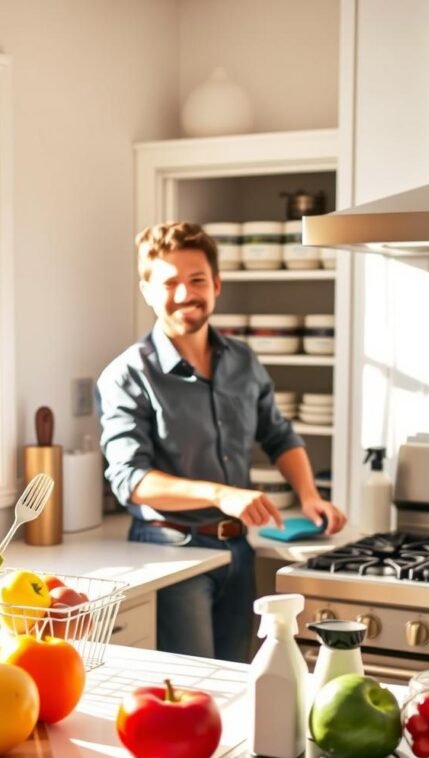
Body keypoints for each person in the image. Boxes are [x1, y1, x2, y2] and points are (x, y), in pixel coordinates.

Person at [96, 221, 346, 662]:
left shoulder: (242, 361)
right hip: (171, 553)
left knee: (237, 685)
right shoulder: (127, 374)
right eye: (169, 282)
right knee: (200, 691)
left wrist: (310, 497)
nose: (183, 294)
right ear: (147, 290)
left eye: (196, 280)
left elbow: (277, 433)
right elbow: (130, 480)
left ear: (216, 284)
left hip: (238, 551)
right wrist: (220, 493)